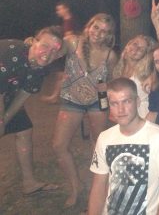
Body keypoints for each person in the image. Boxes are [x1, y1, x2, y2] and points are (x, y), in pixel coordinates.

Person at [52, 13, 118, 208]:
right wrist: (48, 45)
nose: (99, 33)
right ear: (89, 26)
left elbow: (112, 80)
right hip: (71, 100)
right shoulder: (73, 42)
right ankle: (76, 187)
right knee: (58, 145)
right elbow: (58, 47)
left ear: (109, 35)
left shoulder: (110, 55)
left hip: (98, 102)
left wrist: (108, 90)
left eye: (105, 31)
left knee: (98, 145)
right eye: (96, 27)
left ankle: (97, 184)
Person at [88, 77, 159, 215]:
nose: (121, 109)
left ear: (137, 102)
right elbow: (98, 186)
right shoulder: (104, 138)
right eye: (114, 103)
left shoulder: (158, 137)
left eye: (126, 101)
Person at [0, 26, 64, 195]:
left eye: (54, 50)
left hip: (8, 96)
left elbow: (23, 95)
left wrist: (5, 119)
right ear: (33, 42)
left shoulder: (41, 67)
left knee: (24, 129)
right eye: (44, 46)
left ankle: (29, 183)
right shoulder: (11, 52)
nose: (48, 54)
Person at [42, 0, 79, 104]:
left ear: (66, 9)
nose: (58, 11)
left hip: (70, 53)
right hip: (71, 53)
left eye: (59, 9)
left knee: (63, 75)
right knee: (62, 75)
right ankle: (55, 96)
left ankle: (57, 97)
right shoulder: (68, 21)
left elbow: (69, 38)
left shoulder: (69, 22)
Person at [113, 34, 156, 119]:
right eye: (135, 44)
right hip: (124, 116)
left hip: (143, 117)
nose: (136, 49)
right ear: (128, 45)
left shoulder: (147, 73)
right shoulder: (118, 70)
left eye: (141, 48)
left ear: (145, 54)